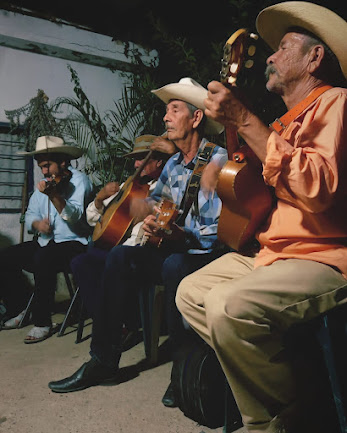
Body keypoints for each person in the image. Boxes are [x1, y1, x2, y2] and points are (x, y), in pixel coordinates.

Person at [176, 3, 347, 433]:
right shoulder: (282, 124)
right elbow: (263, 188)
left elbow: (317, 188)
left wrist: (245, 119)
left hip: (323, 257)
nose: (269, 56)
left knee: (226, 306)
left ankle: (270, 423)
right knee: (190, 291)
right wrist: (228, 164)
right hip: (274, 253)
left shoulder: (337, 105)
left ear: (314, 58)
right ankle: (299, 399)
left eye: (283, 47)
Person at [47, 78, 228, 408]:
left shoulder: (216, 161)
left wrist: (175, 232)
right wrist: (146, 214)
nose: (165, 117)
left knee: (175, 265)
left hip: (203, 255)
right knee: (119, 256)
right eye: (166, 110)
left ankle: (182, 371)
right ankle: (103, 360)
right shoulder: (172, 163)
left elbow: (214, 234)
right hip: (172, 246)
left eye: (174, 110)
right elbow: (156, 203)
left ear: (197, 118)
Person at [70, 134, 175, 323]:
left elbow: (171, 213)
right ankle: (109, 322)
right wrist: (99, 199)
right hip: (118, 250)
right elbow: (94, 220)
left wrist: (149, 206)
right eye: (135, 159)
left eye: (141, 159)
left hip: (144, 251)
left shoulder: (169, 185)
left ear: (159, 161)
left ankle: (119, 323)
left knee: (115, 257)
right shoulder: (131, 186)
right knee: (81, 262)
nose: (136, 165)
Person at [0, 136, 93, 343]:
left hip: (75, 243)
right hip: (46, 241)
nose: (44, 171)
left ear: (62, 162)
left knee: (45, 257)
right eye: (40, 166)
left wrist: (54, 196)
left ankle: (43, 323)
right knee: (6, 257)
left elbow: (74, 216)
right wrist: (37, 224)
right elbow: (31, 213)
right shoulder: (44, 185)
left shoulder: (80, 181)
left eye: (47, 165)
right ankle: (20, 308)